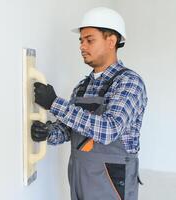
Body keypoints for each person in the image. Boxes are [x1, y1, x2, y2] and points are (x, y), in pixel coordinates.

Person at [31, 7, 148, 200]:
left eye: (89, 40)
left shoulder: (129, 83)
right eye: (81, 40)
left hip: (111, 179)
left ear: (111, 41)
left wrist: (54, 103)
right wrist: (47, 132)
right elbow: (69, 130)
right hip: (80, 174)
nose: (82, 46)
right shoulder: (82, 87)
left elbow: (109, 130)